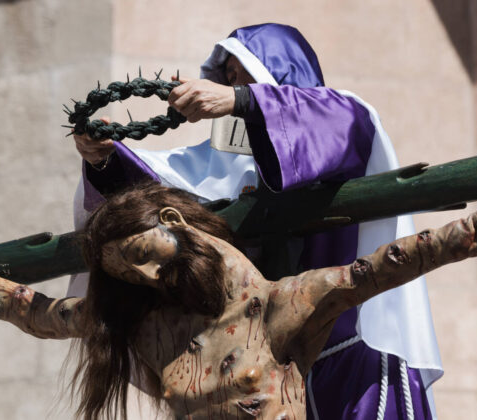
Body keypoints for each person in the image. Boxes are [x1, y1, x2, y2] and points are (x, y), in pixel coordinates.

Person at [0, 101, 477, 420]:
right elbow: (31, 311)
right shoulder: (140, 326)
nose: (148, 281)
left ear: (190, 234)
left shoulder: (284, 306)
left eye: (152, 260)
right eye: (130, 275)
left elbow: (463, 238)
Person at [71, 23, 443, 419]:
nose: (232, 81)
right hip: (266, 377)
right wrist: (104, 159)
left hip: (351, 362)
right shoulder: (217, 164)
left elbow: (338, 122)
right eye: (227, 76)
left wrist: (242, 101)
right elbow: (155, 195)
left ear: (280, 73)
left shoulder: (340, 117)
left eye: (242, 71)